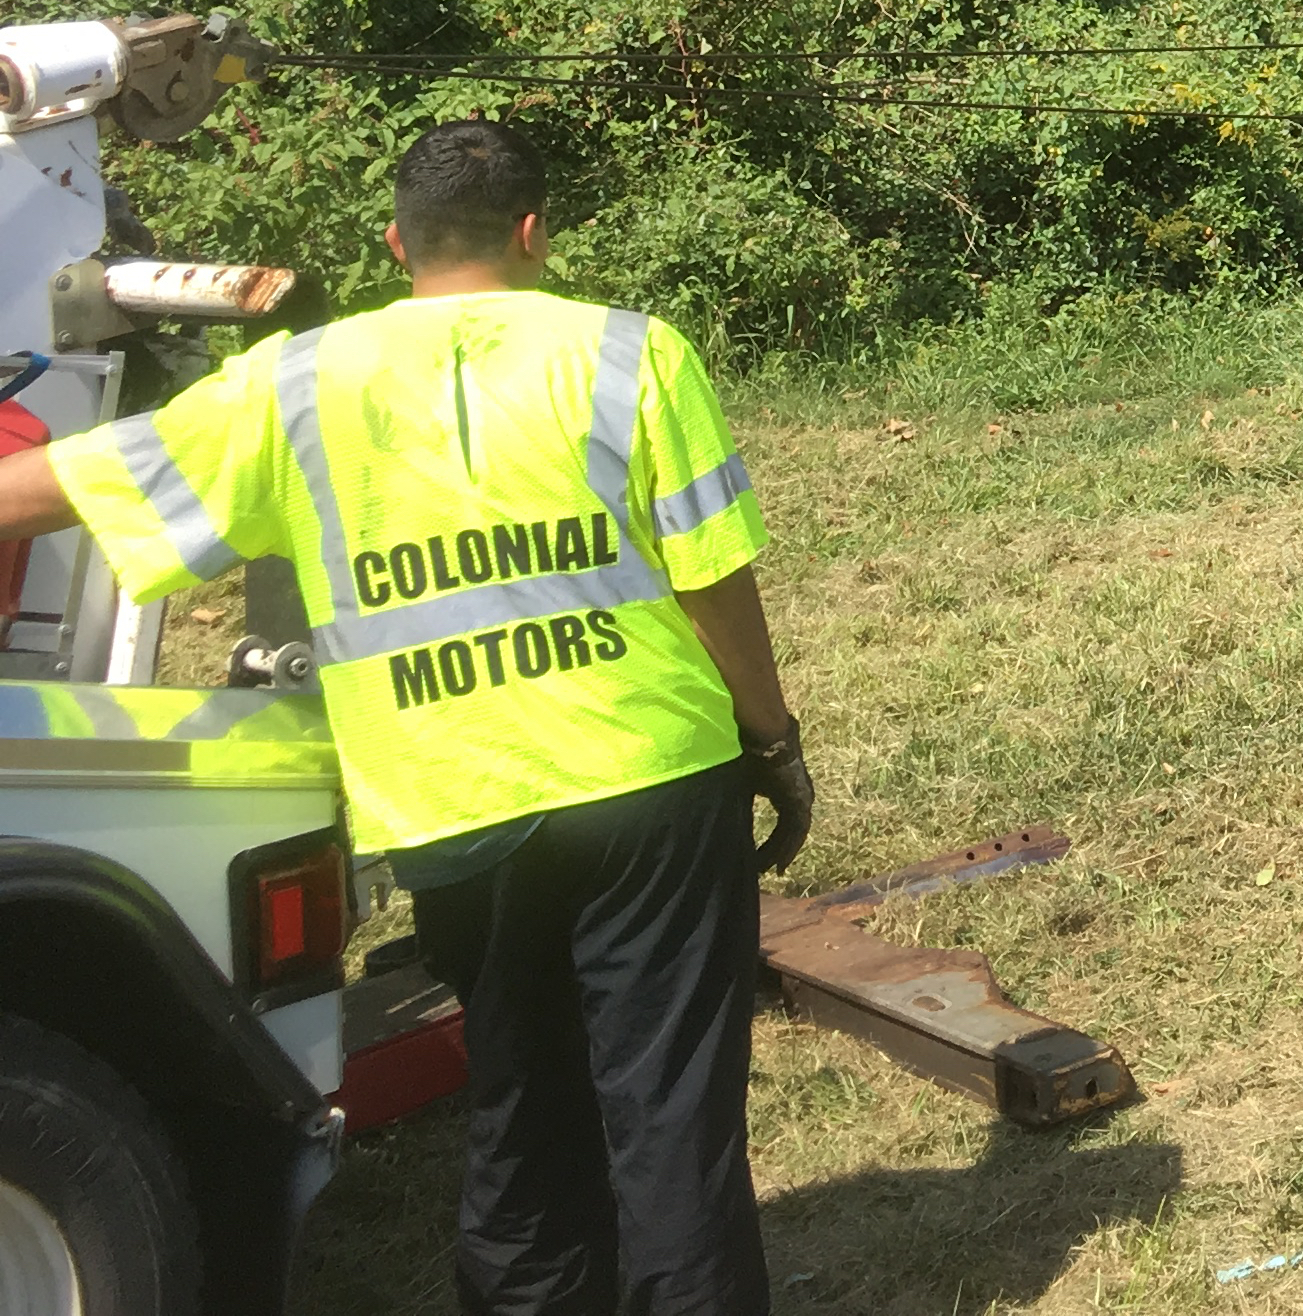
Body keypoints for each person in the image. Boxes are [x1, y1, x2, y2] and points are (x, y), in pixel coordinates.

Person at [0, 116, 813, 1316]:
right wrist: (772, 736)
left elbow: (62, 484)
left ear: (397, 243)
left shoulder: (291, 385)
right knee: (670, 1116)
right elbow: (713, 578)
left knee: (522, 1106)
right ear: (535, 233)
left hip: (451, 800)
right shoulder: (634, 357)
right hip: (650, 783)